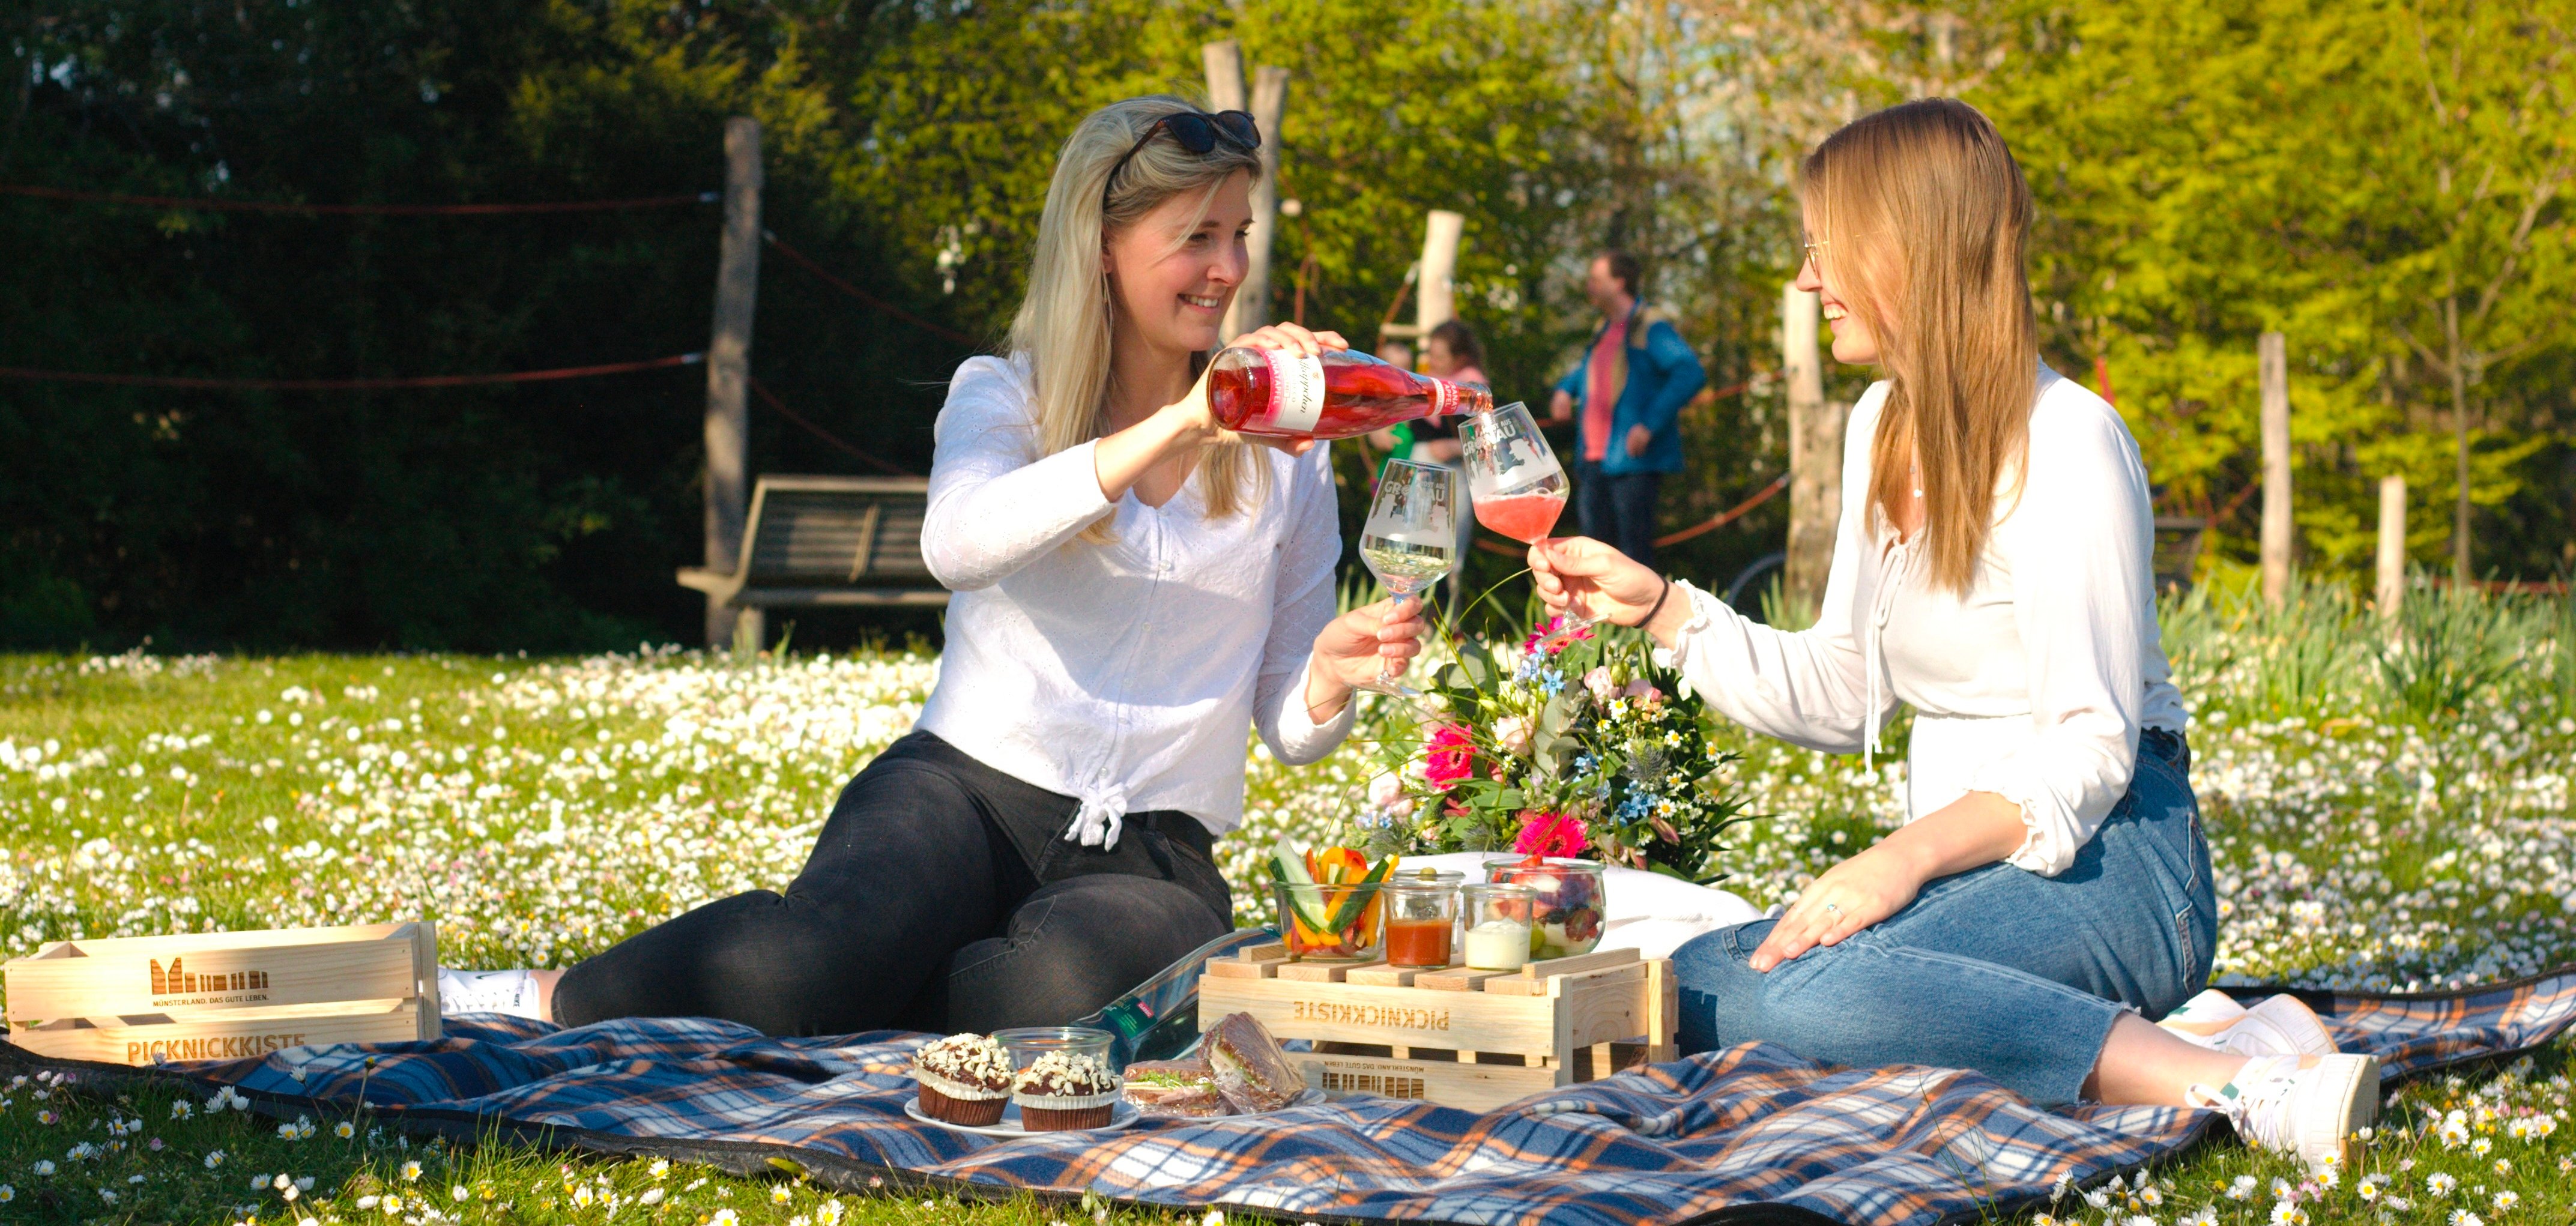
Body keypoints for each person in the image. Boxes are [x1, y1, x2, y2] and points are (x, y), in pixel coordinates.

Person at [441, 95, 1425, 1037]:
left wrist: (1331, 673)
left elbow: (1289, 728)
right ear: (1102, 251)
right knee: (811, 958)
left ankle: (861, 1000)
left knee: (1068, 991)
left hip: (1157, 854)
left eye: (1238, 234)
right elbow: (958, 543)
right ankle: (549, 996)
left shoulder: (1289, 458)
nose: (1228, 269)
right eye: (1196, 239)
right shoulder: (1001, 396)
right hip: (960, 794)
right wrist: (1184, 420)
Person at [1526, 99, 2377, 1172]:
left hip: (2123, 858)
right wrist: (1663, 608)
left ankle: (2243, 1085)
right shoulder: (1880, 422)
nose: (1805, 281)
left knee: (1755, 986)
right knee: (1708, 979)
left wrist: (1898, 860)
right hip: (1961, 876)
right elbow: (1844, 690)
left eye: (1822, 249)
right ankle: (2218, 1039)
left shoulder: (2068, 441)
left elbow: (2090, 748)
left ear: (1908, 248)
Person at [1546, 250, 1705, 567]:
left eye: (1596, 279)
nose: (1589, 286)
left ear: (1619, 283)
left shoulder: (1651, 327)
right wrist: (1565, 389)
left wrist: (1649, 424)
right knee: (1593, 553)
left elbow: (1690, 372)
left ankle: (1637, 619)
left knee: (1632, 558)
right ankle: (1602, 618)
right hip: (1594, 460)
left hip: (1632, 462)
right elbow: (1589, 369)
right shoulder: (1604, 328)